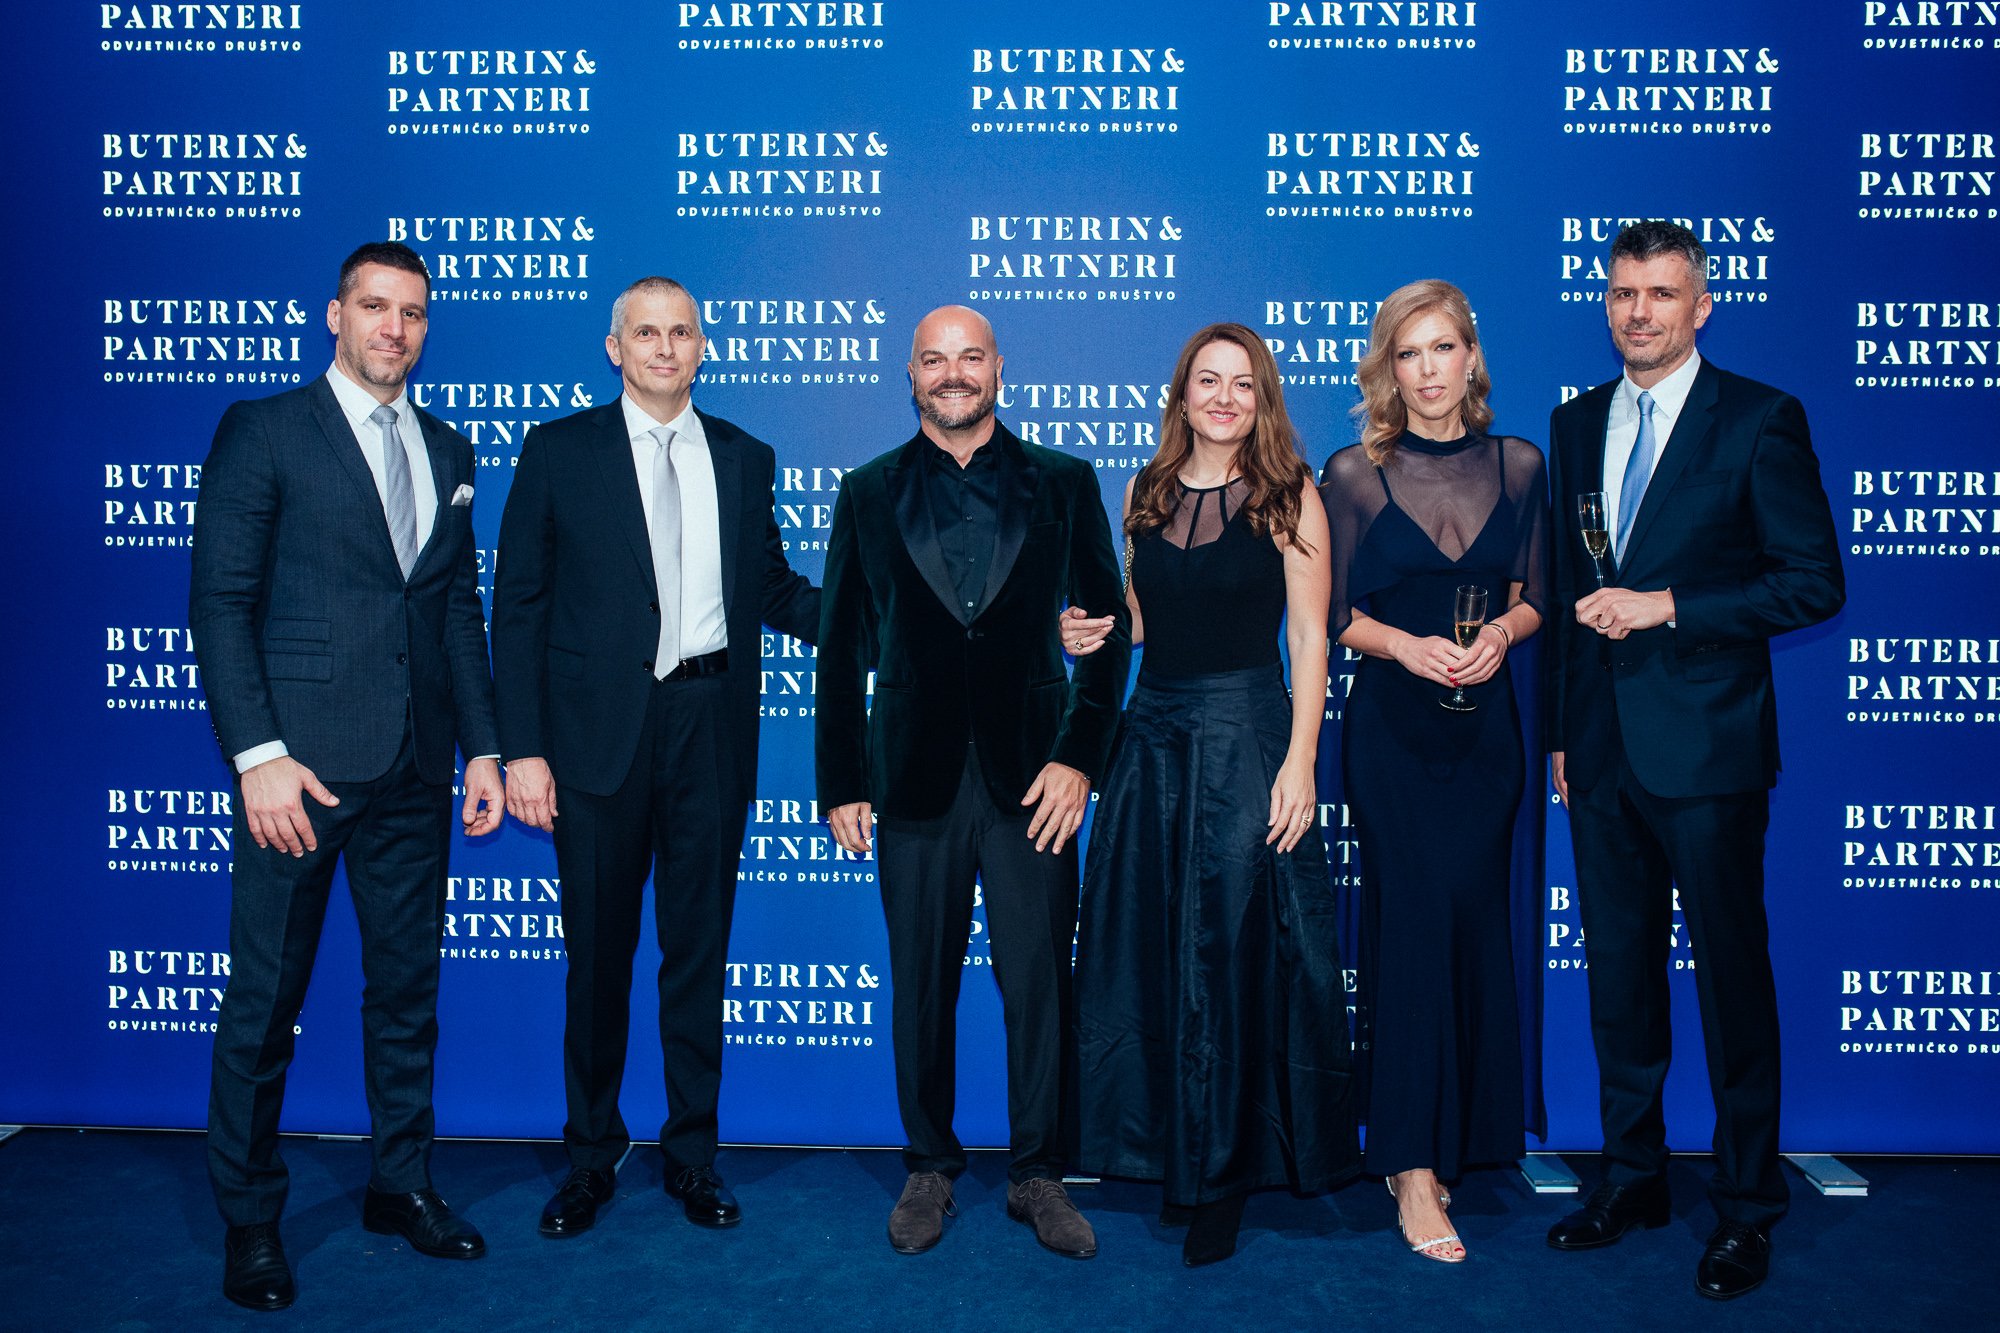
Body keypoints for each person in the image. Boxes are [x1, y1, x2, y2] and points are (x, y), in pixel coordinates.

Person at [191, 241, 505, 1311]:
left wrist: (485, 749)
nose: (393, 329)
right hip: (300, 776)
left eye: (413, 312)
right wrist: (259, 757)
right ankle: (250, 1217)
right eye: (374, 307)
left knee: (405, 997)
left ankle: (399, 1184)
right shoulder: (264, 429)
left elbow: (455, 611)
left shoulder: (450, 447)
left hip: (415, 771)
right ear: (335, 314)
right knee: (263, 1004)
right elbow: (221, 603)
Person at [1543, 221, 1843, 1300]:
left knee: (1728, 983)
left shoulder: (1759, 418)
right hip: (1603, 755)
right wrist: (1566, 736)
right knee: (1618, 980)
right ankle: (1630, 1180)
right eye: (1623, 292)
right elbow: (1576, 602)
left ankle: (1746, 1207)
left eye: (1661, 294)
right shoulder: (1573, 424)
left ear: (1700, 304)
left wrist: (1669, 604)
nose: (1638, 312)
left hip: (1708, 749)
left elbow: (1811, 582)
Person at [491, 276, 820, 1237]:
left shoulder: (746, 456)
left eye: (681, 332)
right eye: (646, 333)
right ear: (614, 347)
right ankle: (590, 1157)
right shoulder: (558, 450)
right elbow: (518, 608)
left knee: (697, 954)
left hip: (709, 726)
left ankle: (693, 1155)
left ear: (703, 346)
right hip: (593, 742)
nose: (664, 348)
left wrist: (892, 621)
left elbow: (774, 590)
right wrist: (523, 752)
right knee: (596, 958)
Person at [817, 305, 1131, 1259]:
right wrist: (840, 782)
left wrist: (1078, 758)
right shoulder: (865, 492)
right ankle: (929, 1164)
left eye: (970, 357)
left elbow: (1108, 633)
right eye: (933, 360)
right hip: (910, 781)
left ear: (1000, 367)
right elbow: (838, 653)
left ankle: (1038, 1170)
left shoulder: (1066, 482)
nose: (952, 374)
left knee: (1038, 983)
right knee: (920, 984)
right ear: (909, 375)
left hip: (1034, 779)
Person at [1073, 323, 1359, 1268]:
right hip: (1151, 742)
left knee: (1230, 962)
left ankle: (1227, 1177)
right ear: (1182, 394)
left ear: (1263, 397)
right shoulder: (1142, 492)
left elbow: (1311, 640)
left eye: (1244, 383)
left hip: (1246, 738)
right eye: (1209, 380)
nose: (1226, 397)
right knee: (1153, 951)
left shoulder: (1289, 495)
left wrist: (1302, 761)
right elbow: (1147, 619)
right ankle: (1166, 1151)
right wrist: (1094, 629)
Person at [1318, 281, 1549, 1263]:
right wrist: (1403, 646)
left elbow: (1535, 592)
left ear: (1469, 357)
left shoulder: (1520, 462)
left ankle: (1455, 1139)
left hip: (1487, 734)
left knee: (1469, 925)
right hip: (1392, 734)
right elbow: (1329, 616)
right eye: (1405, 353)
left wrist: (1499, 629)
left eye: (1441, 349)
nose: (1425, 370)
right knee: (1407, 929)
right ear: (1387, 368)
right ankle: (1408, 1167)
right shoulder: (1353, 473)